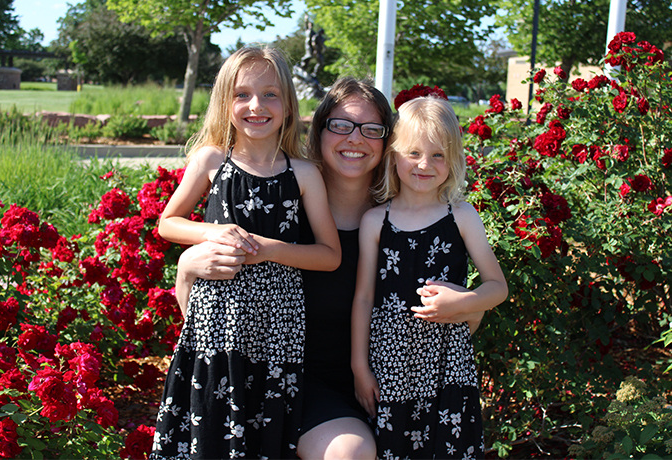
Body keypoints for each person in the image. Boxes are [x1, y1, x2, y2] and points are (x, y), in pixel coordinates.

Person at [173, 78, 487, 460]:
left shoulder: (409, 218)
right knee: (349, 452)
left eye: (372, 130)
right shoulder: (287, 208)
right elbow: (216, 310)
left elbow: (463, 312)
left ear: (391, 142)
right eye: (340, 125)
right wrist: (188, 266)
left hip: (397, 384)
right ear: (318, 131)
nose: (355, 139)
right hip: (295, 384)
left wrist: (467, 302)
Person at [151, 46, 341, 460]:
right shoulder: (212, 160)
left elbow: (329, 255)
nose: (257, 106)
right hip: (217, 328)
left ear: (289, 104)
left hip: (278, 332)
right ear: (225, 102)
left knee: (263, 437)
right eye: (243, 95)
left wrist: (268, 249)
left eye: (270, 94)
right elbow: (168, 223)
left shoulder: (303, 173)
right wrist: (213, 232)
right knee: (213, 432)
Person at [351, 95, 508, 459]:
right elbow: (363, 297)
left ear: (453, 159)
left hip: (446, 365)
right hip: (389, 364)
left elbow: (497, 287)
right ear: (393, 155)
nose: (425, 164)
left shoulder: (462, 217)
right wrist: (360, 366)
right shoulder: (376, 221)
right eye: (413, 153)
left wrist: (464, 301)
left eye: (438, 155)